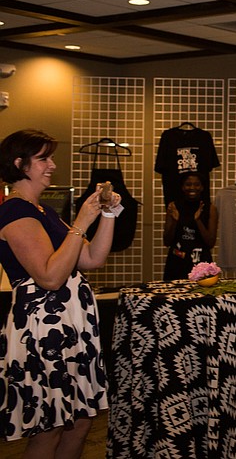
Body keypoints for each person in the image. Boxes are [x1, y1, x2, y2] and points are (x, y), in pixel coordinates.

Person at [0, 129, 121, 458]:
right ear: (20, 164)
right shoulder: (13, 212)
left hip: (70, 326)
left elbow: (91, 258)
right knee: (49, 427)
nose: (52, 164)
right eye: (44, 158)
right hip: (44, 330)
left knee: (80, 421)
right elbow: (50, 277)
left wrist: (107, 214)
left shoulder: (43, 212)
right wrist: (82, 220)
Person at [163, 171, 218, 281]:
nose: (192, 187)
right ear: (183, 187)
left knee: (202, 297)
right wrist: (175, 221)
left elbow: (210, 242)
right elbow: (167, 241)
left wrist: (197, 220)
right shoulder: (173, 206)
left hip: (201, 263)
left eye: (197, 184)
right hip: (177, 261)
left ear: (202, 187)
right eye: (188, 184)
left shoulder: (210, 208)